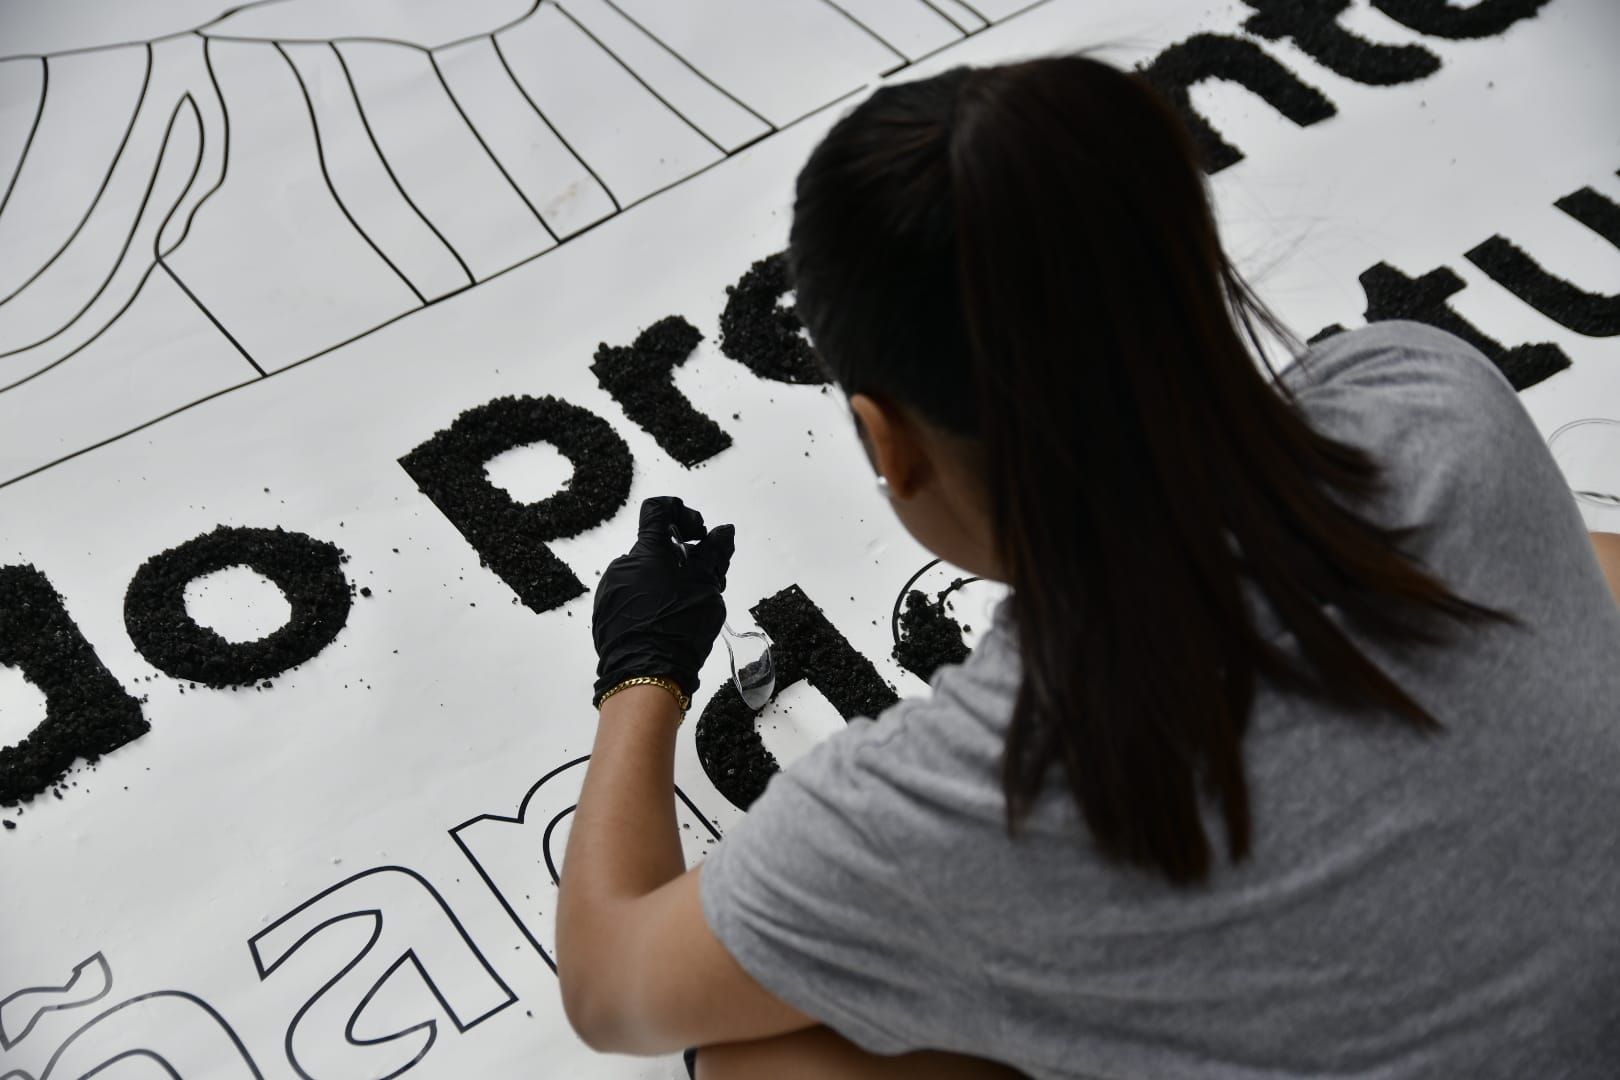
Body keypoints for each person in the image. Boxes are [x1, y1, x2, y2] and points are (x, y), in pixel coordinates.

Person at [554, 55, 1620, 1079]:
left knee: (764, 1054)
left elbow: (612, 985)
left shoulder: (973, 792)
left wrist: (642, 668)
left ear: (891, 443)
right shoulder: (1429, 395)